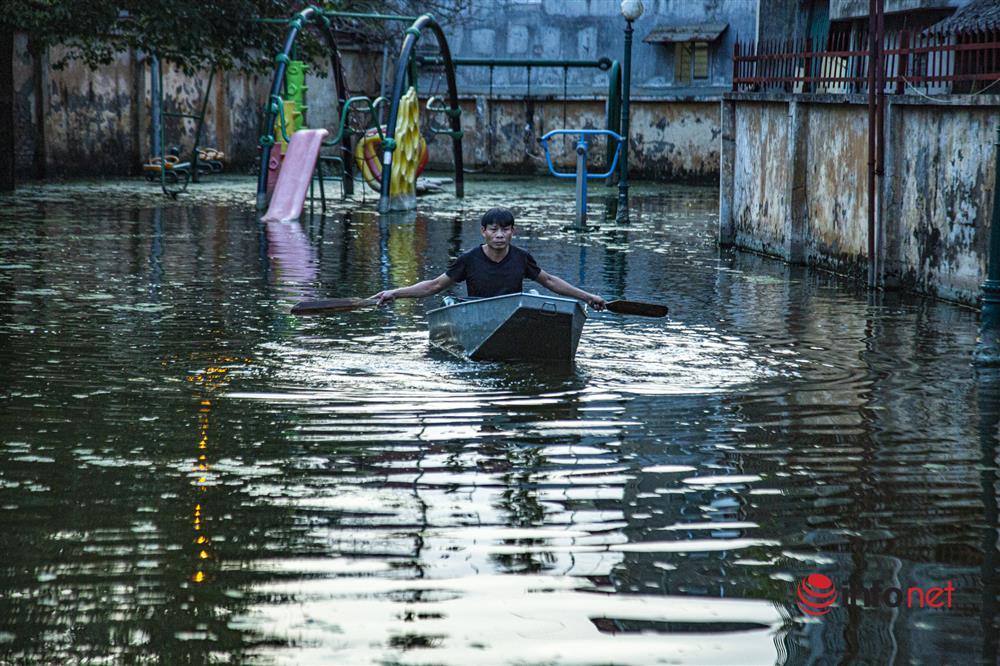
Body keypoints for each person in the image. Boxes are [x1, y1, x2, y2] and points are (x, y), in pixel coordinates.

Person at [371, 207, 606, 309]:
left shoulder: (522, 258)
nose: (500, 235)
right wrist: (395, 292)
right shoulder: (469, 259)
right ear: (483, 231)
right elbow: (433, 286)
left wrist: (587, 297)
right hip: (478, 314)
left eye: (505, 230)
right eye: (494, 230)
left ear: (514, 232)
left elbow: (551, 282)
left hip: (512, 314)